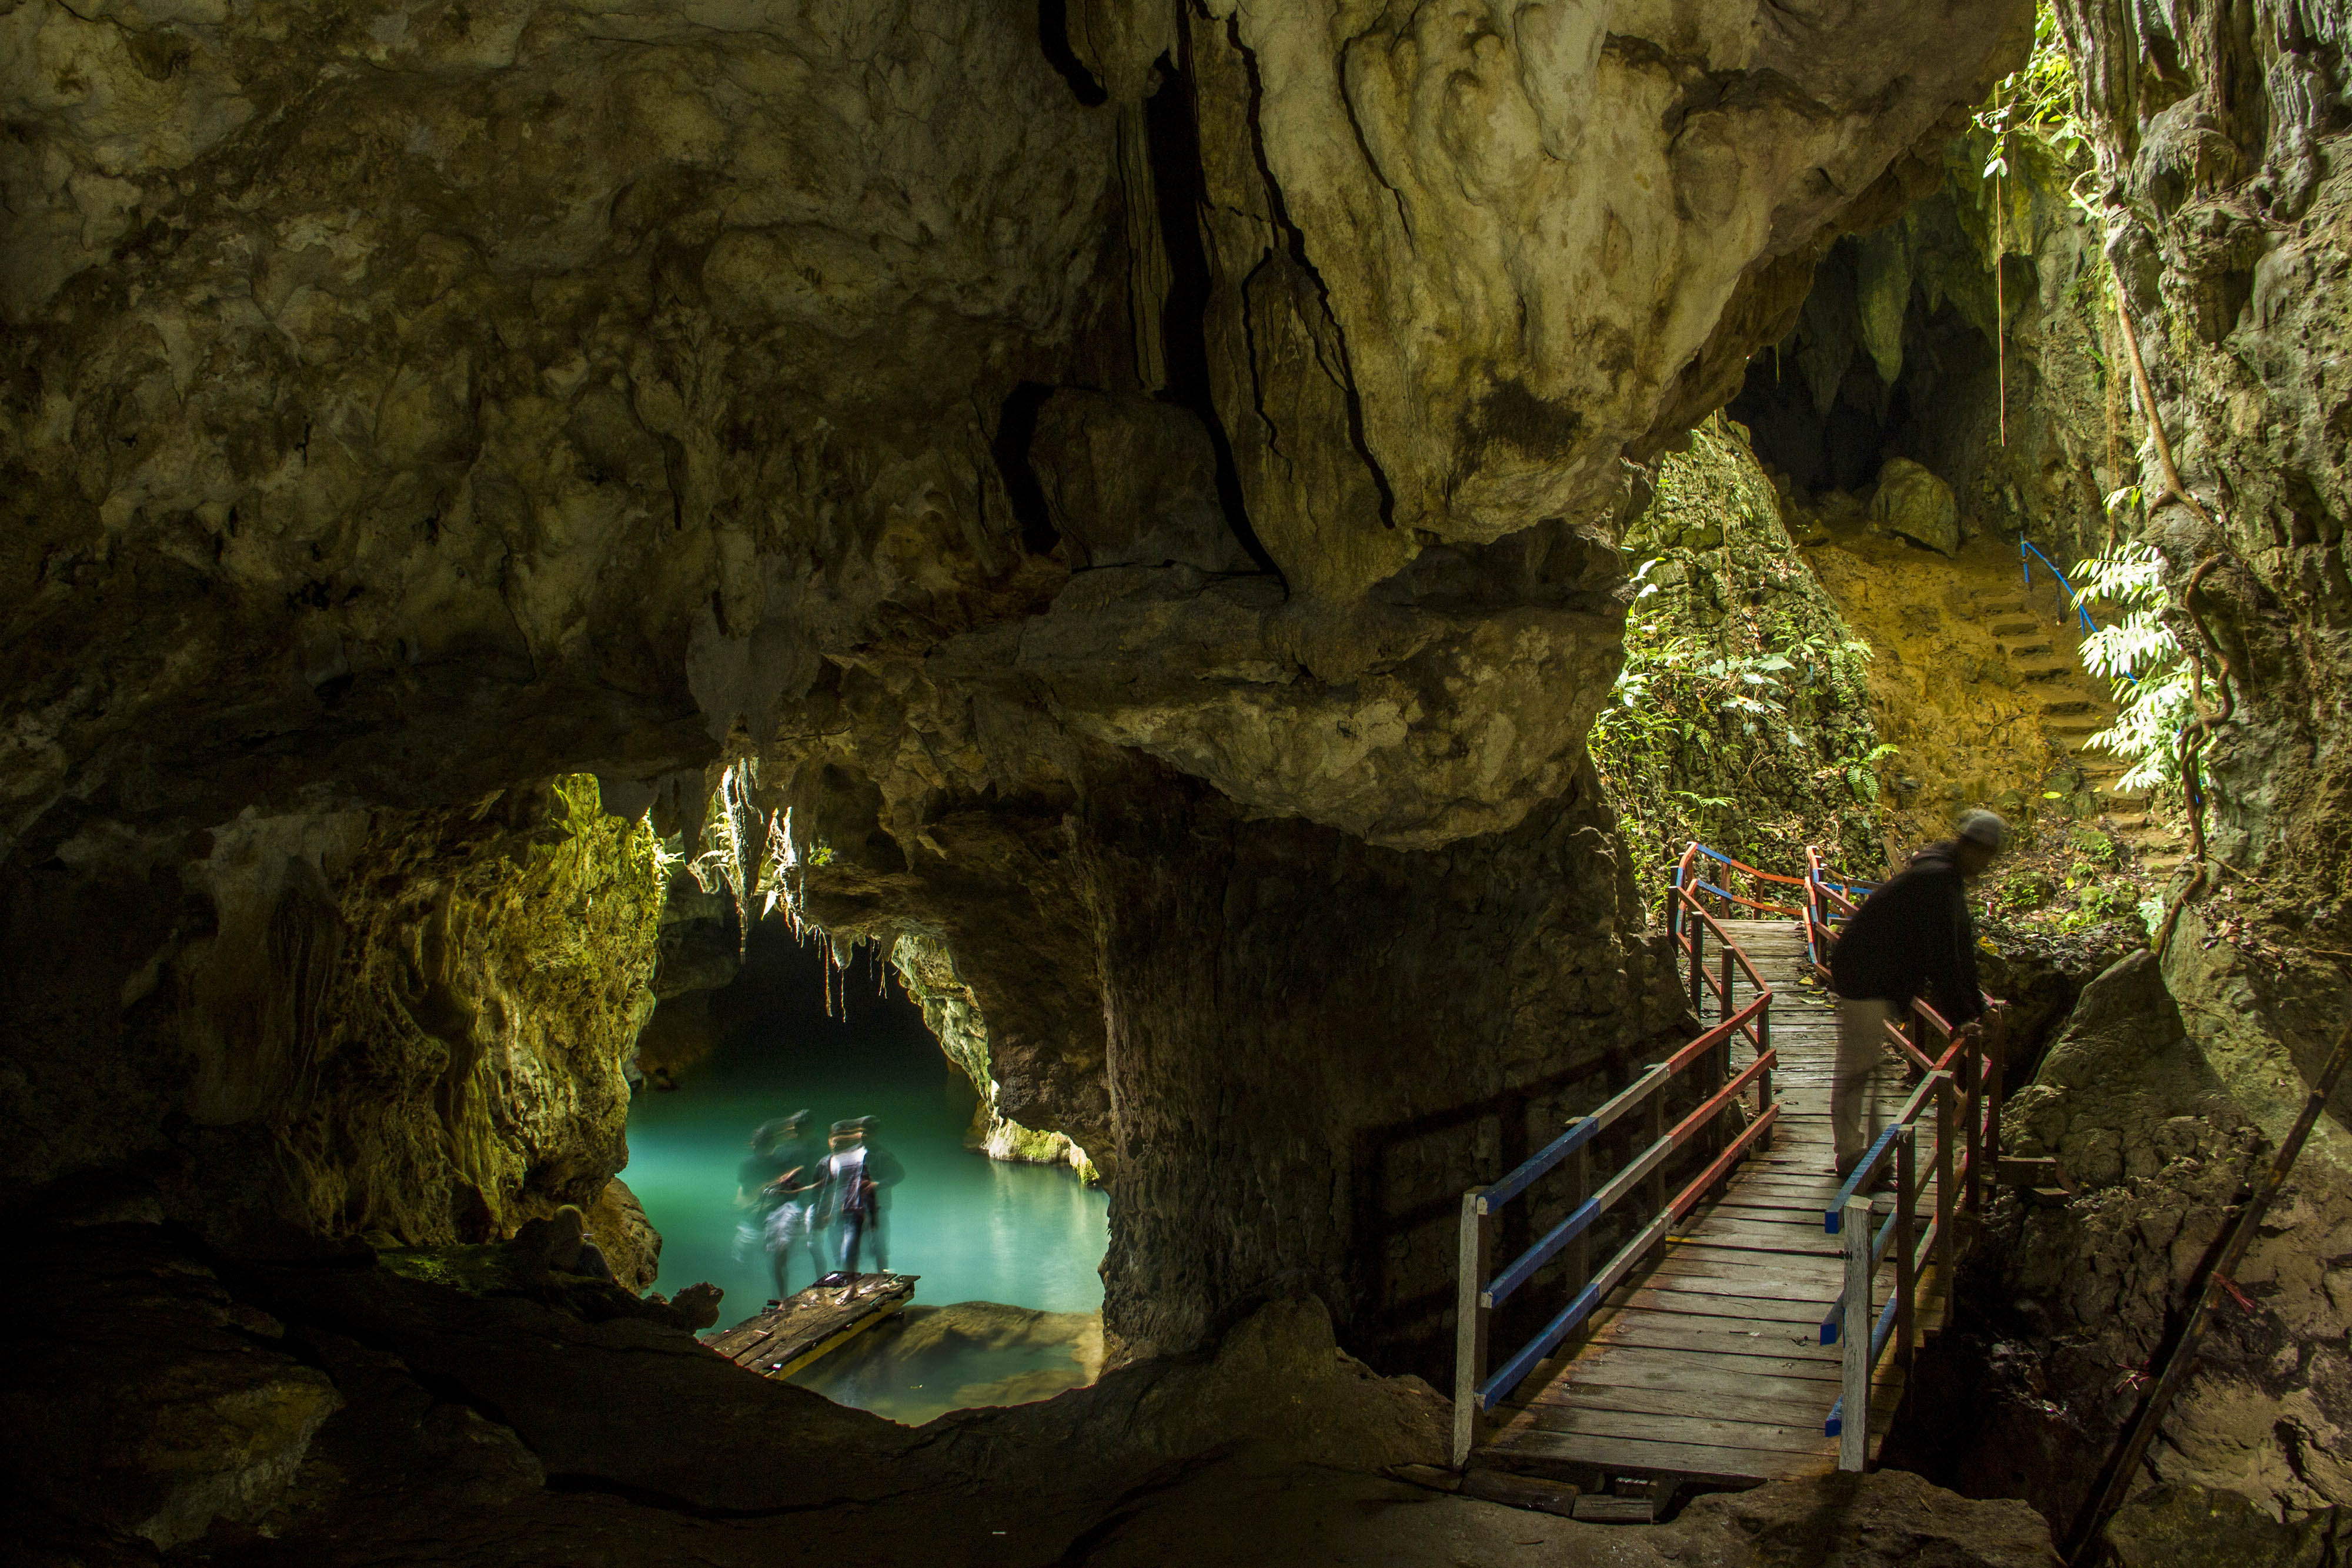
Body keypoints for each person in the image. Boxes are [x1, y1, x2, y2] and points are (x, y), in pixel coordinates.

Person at [1826, 809, 2009, 1181]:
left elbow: (1959, 946)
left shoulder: (1945, 876)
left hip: (1877, 973)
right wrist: (1963, 1016)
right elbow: (1943, 955)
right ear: (1971, 848)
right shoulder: (1937, 881)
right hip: (1865, 973)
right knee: (1859, 1066)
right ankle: (1851, 1154)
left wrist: (1975, 1005)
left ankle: (1871, 1155)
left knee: (1868, 1066)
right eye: (1986, 855)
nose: (1986, 865)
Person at [818, 1118, 881, 1300]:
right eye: (835, 1138)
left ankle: (856, 1287)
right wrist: (824, 1213)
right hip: (842, 1212)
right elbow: (830, 1187)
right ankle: (859, 1281)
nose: (837, 1142)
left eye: (841, 1138)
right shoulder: (832, 1160)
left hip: (857, 1210)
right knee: (845, 1252)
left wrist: (873, 1216)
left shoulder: (861, 1157)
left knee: (851, 1249)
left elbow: (868, 1187)